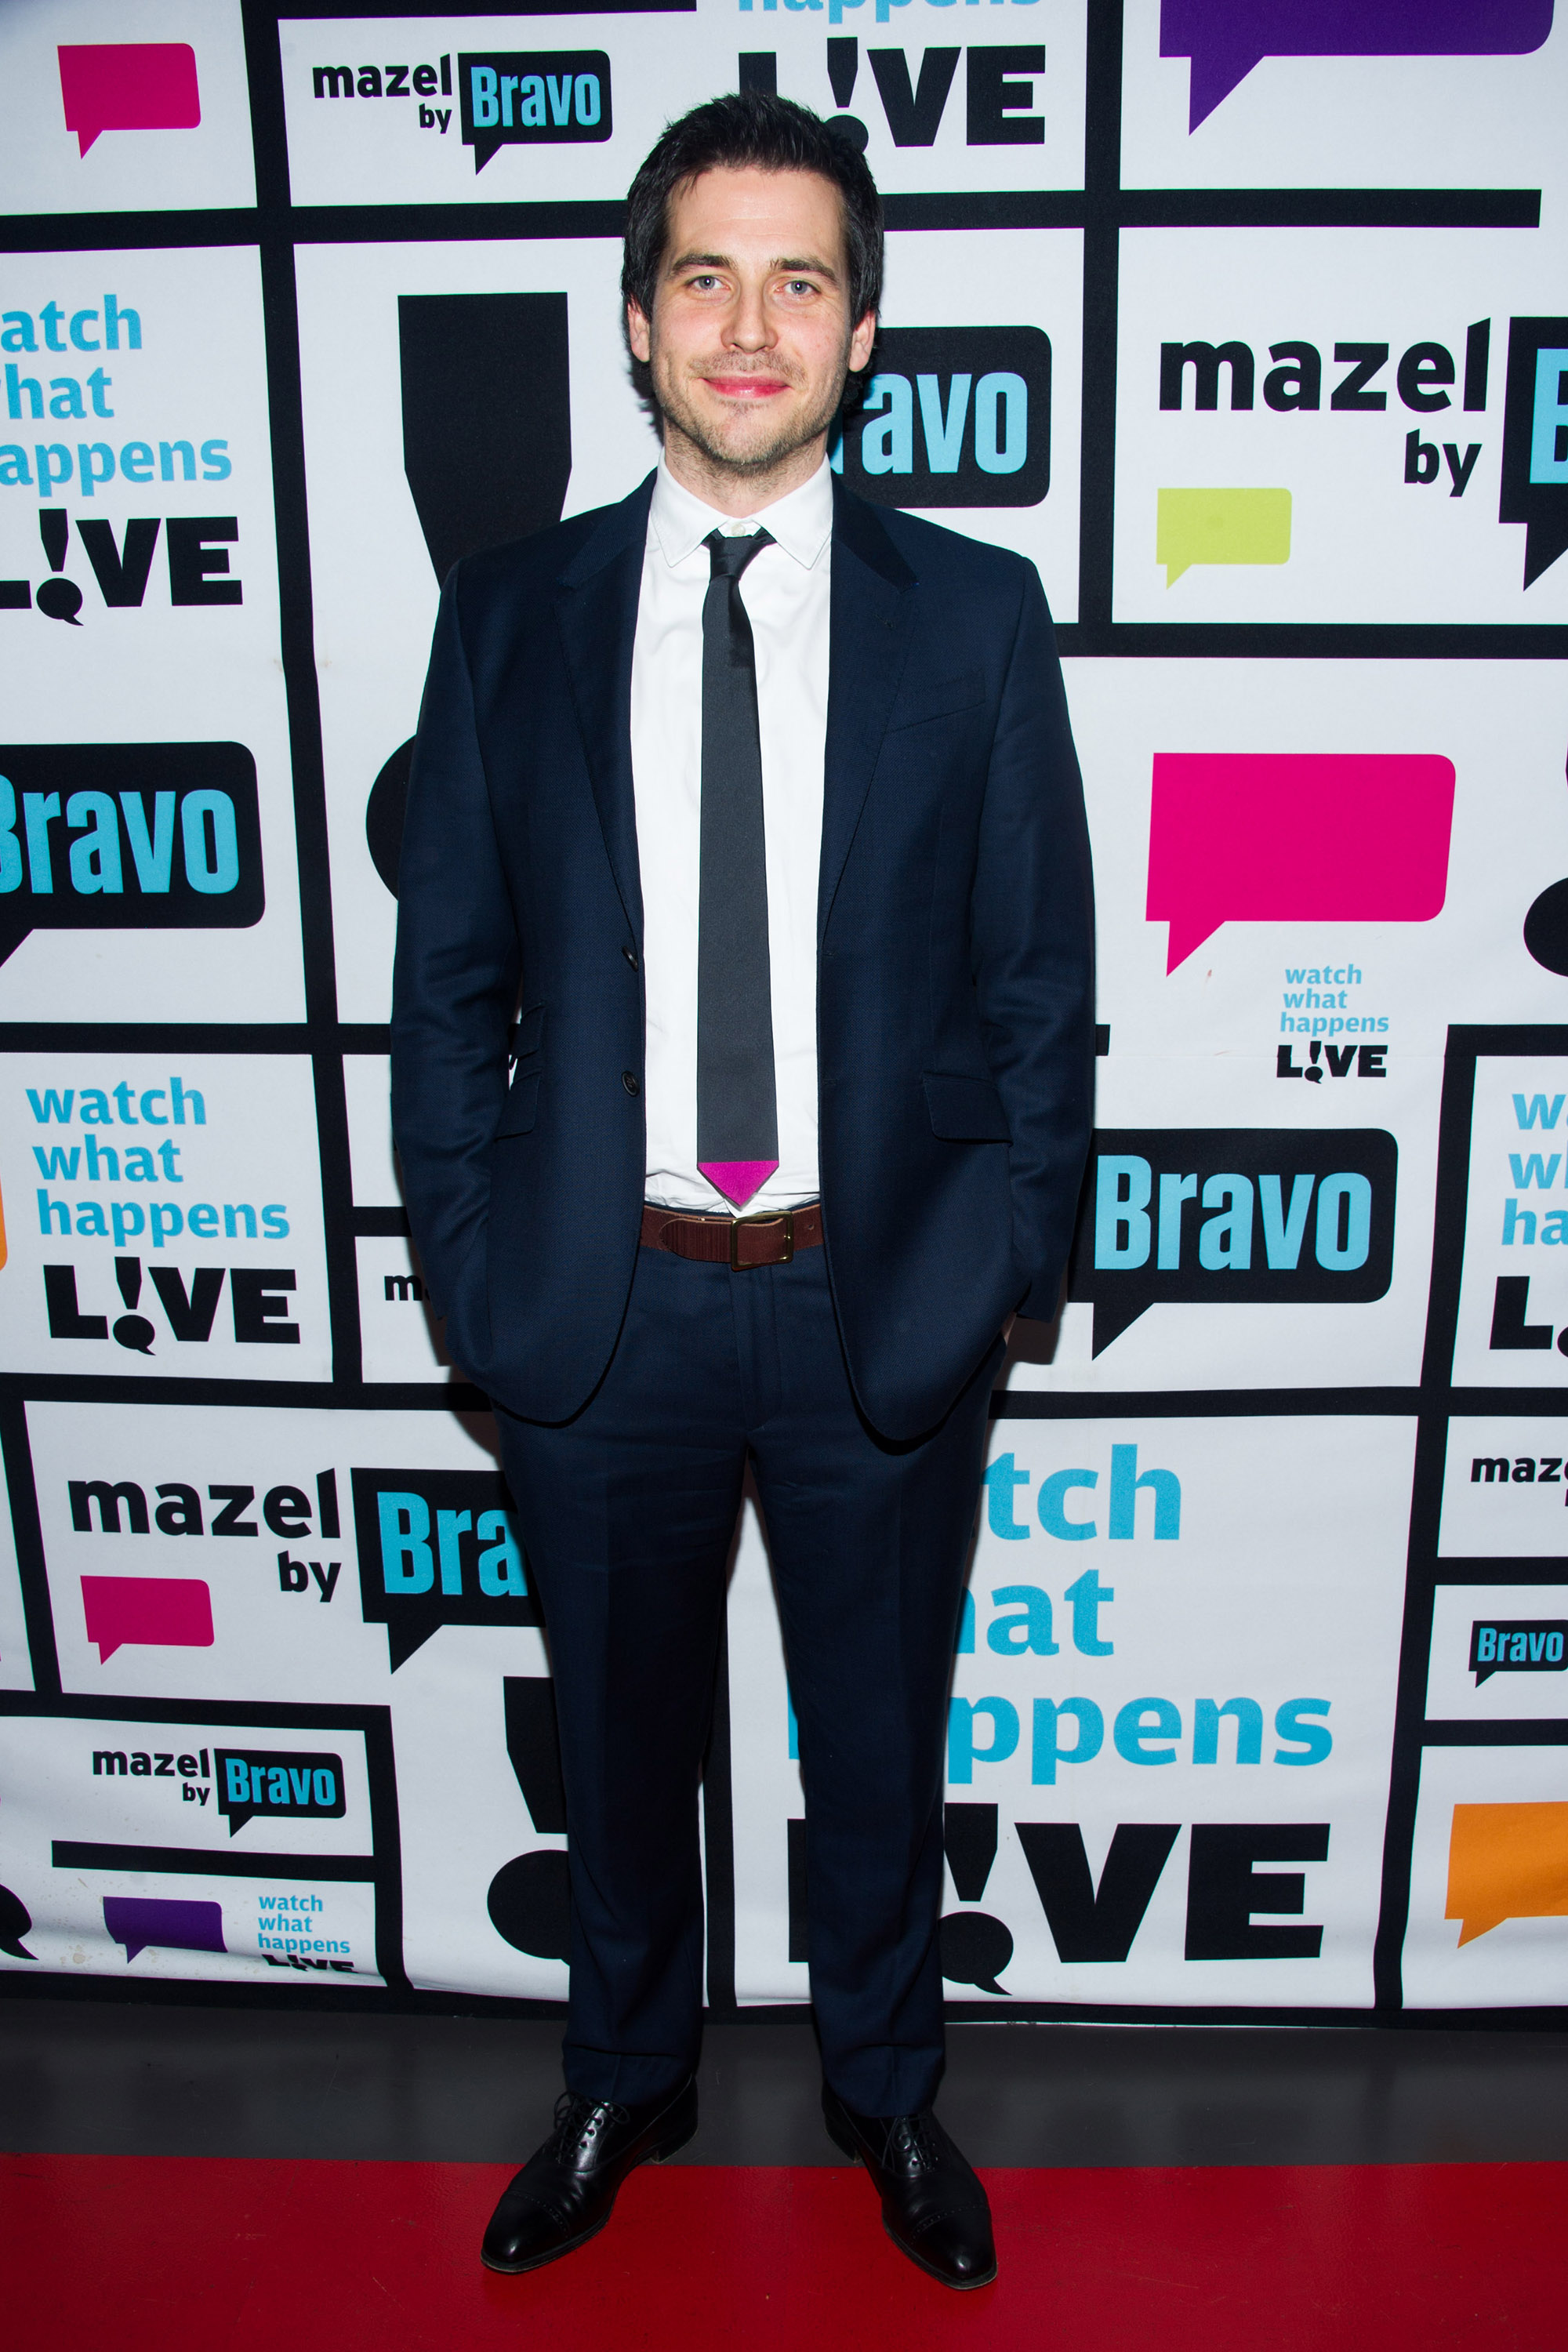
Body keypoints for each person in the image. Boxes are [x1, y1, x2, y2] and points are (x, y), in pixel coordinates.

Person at [391, 90, 1094, 2290]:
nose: (752, 320)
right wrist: (476, 1276)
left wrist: (1000, 1264)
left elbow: (1036, 971)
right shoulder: (510, 617)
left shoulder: (973, 619)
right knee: (617, 1738)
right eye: (707, 274)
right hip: (598, 1311)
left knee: (880, 1736)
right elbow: (451, 986)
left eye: (800, 277)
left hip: (873, 1300)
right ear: (636, 320)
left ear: (863, 328)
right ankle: (630, 2075)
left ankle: (887, 2092)